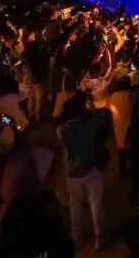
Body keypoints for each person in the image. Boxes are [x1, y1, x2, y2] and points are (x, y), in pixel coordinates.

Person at [56, 93, 107, 250]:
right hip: (90, 167)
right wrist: (92, 108)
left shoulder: (62, 130)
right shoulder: (90, 123)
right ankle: (99, 236)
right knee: (96, 202)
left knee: (75, 204)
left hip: (71, 173)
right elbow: (100, 121)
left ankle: (77, 237)